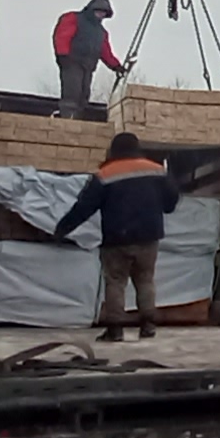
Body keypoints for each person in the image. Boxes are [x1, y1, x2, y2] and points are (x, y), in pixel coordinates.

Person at [54, 132, 180, 341]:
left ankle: (115, 329)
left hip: (117, 239)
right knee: (145, 279)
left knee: (115, 282)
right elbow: (172, 199)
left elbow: (84, 207)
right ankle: (148, 325)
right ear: (137, 148)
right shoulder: (157, 170)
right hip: (149, 237)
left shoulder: (105, 174)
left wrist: (62, 229)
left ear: (114, 150)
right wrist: (163, 207)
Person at [52, 0, 127, 115]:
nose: (100, 15)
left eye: (103, 13)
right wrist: (63, 54)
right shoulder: (74, 18)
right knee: (72, 91)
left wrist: (116, 66)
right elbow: (62, 36)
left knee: (84, 94)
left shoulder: (101, 32)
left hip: (88, 66)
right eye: (98, 11)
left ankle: (78, 118)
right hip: (72, 61)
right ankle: (68, 117)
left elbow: (105, 52)